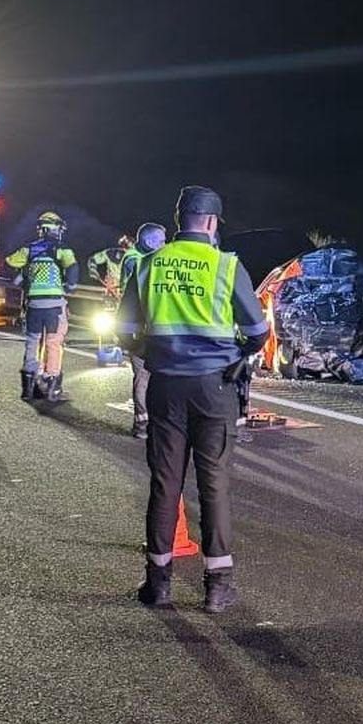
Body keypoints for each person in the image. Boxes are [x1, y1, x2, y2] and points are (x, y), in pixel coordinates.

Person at [120, 187, 268, 612]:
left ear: (179, 218)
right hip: (215, 388)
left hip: (165, 386)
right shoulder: (226, 266)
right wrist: (235, 351)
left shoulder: (148, 265)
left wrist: (157, 354)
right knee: (214, 485)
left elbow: (123, 330)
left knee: (165, 484)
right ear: (211, 222)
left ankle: (158, 585)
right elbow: (258, 333)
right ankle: (217, 589)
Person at [92, 224, 169, 438]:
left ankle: (148, 422)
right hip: (141, 328)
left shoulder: (139, 258)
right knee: (144, 377)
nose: (165, 245)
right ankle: (143, 423)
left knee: (148, 377)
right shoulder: (137, 260)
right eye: (161, 241)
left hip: (142, 326)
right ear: (149, 241)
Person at [4, 211, 80, 401]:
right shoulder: (62, 249)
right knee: (53, 343)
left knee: (32, 342)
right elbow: (72, 268)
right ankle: (52, 385)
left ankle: (29, 388)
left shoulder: (28, 249)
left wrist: (22, 282)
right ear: (54, 228)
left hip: (33, 304)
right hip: (55, 304)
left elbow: (8, 263)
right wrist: (70, 288)